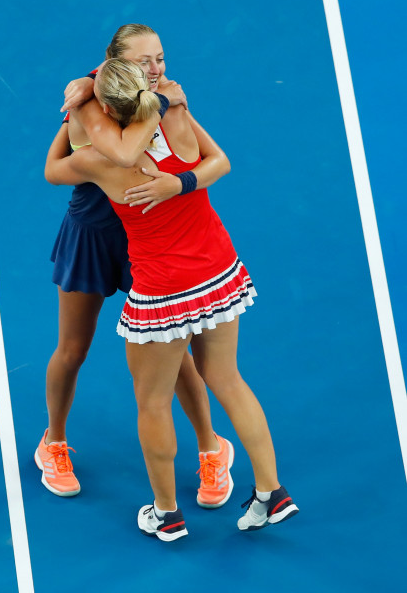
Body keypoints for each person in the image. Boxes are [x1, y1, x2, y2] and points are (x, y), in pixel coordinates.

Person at [45, 56, 298, 541]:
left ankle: (166, 514)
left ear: (102, 111)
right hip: (219, 273)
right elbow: (219, 159)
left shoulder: (94, 161)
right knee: (228, 378)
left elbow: (53, 171)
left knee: (153, 403)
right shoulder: (179, 121)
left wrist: (72, 116)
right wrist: (179, 176)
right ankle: (272, 492)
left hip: (163, 291)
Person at [36, 24, 233, 511]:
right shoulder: (91, 100)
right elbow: (79, 164)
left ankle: (212, 447)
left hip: (151, 239)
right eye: (145, 61)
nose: (156, 69)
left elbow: (215, 160)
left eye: (160, 58)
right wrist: (148, 103)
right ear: (112, 65)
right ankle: (53, 443)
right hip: (93, 235)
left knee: (174, 357)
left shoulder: (165, 97)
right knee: (73, 348)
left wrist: (179, 179)